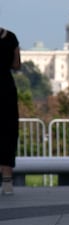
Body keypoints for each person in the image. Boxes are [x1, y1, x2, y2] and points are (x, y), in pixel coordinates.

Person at [1, 27, 21, 195]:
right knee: (8, 134)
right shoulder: (11, 37)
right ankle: (7, 181)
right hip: (6, 89)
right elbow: (16, 64)